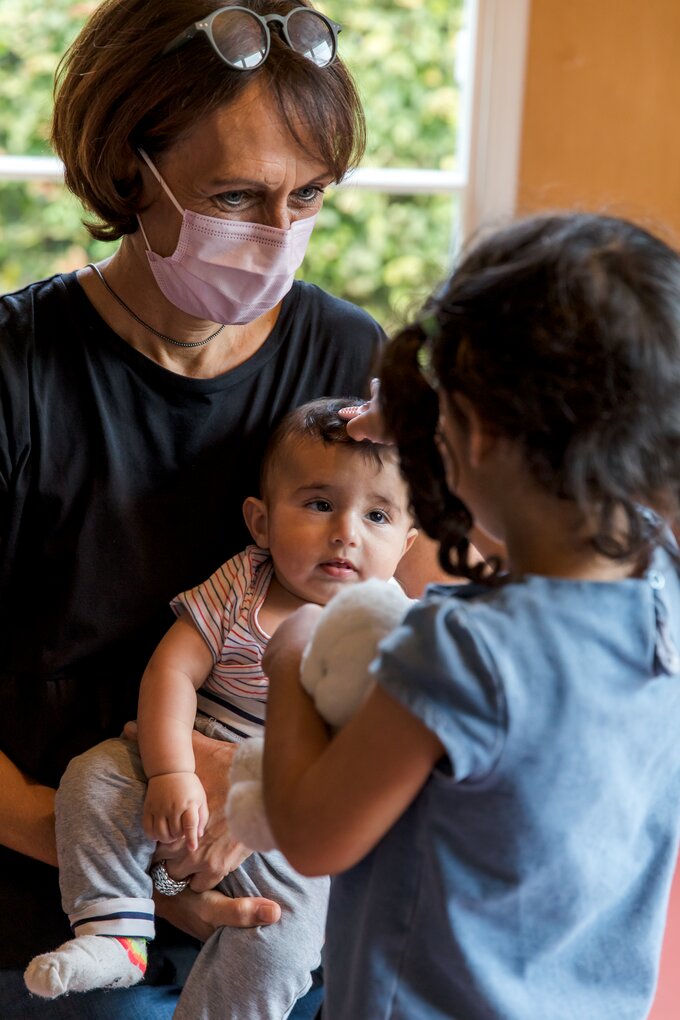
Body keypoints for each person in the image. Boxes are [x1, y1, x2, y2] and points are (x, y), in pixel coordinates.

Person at [0, 2, 424, 1017]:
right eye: (236, 196)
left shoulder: (343, 359)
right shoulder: (18, 374)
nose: (281, 233)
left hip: (282, 856)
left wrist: (278, 812)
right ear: (123, 174)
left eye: (309, 195)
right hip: (61, 868)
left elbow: (400, 631)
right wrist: (140, 853)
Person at [262, 213, 680, 1019]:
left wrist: (290, 657)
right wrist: (434, 424)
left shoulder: (465, 655)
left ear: (477, 435)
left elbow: (314, 835)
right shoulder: (663, 588)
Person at [23, 397, 417, 1015]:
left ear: (406, 542)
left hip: (290, 817)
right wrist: (171, 770)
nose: (346, 532)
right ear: (260, 523)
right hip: (180, 754)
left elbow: (385, 753)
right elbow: (172, 671)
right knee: (92, 777)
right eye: (319, 505)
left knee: (284, 933)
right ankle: (115, 935)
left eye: (376, 515)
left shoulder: (396, 629)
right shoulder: (243, 583)